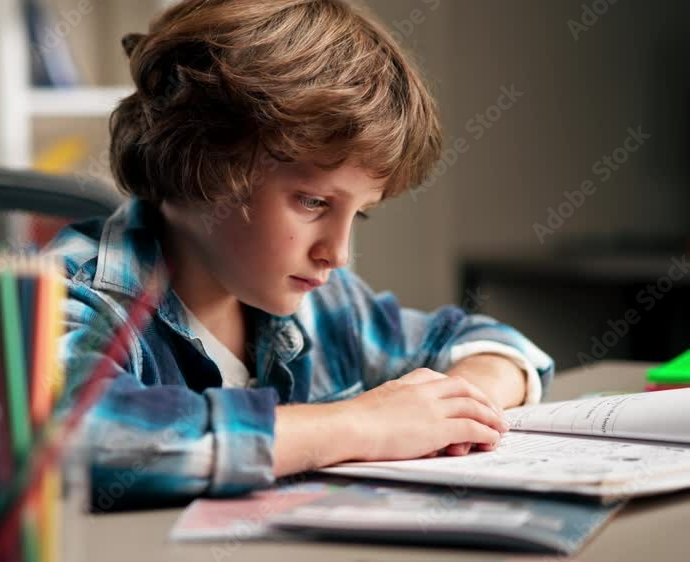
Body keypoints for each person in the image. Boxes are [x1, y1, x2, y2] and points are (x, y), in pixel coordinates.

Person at [43, 0, 553, 510]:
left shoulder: (324, 304)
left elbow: (489, 343)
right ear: (193, 163)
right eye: (313, 202)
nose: (338, 252)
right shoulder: (71, 288)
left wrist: (453, 404)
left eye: (361, 214)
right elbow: (77, 434)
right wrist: (359, 425)